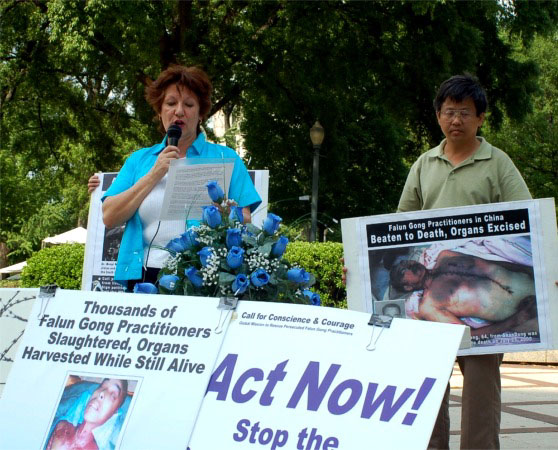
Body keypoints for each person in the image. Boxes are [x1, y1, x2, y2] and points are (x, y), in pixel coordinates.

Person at [397, 74, 532, 449]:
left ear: (480, 117)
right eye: (449, 111)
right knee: (426, 389)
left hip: (488, 306)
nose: (456, 119)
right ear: (438, 116)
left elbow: (527, 218)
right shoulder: (424, 165)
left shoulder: (497, 163)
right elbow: (398, 227)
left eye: (465, 112)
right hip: (435, 322)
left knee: (480, 394)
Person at [101, 65, 261, 291]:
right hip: (144, 274)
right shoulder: (139, 160)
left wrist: (222, 212)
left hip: (202, 275)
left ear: (201, 113)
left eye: (189, 104)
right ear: (159, 111)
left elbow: (245, 218)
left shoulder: (226, 158)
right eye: (170, 103)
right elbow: (109, 216)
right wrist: (154, 174)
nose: (179, 111)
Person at [390, 253, 536, 332]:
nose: (409, 265)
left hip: (533, 279)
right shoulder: (429, 306)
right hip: (528, 313)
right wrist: (516, 320)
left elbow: (492, 263)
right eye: (403, 271)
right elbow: (468, 336)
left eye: (406, 262)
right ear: (407, 287)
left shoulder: (445, 256)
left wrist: (531, 270)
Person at [46, 378, 128, 450]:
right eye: (101, 386)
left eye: (113, 395)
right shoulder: (60, 426)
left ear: (114, 413)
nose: (102, 393)